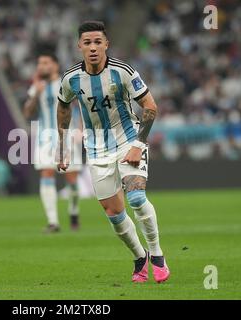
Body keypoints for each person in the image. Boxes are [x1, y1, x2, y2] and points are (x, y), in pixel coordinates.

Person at [56, 21, 170, 283]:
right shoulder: (71, 79)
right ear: (79, 46)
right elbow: (63, 108)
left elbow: (150, 107)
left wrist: (138, 145)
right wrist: (62, 146)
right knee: (114, 215)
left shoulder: (124, 72)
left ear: (106, 44)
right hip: (96, 150)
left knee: (137, 199)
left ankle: (157, 255)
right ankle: (140, 257)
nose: (93, 48)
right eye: (87, 43)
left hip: (128, 141)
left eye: (98, 42)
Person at [24, 52, 83, 233]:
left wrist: (81, 129)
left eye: (46, 62)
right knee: (47, 173)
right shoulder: (37, 86)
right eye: (40, 63)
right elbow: (27, 112)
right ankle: (53, 221)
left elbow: (81, 105)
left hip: (67, 135)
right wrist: (36, 93)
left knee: (71, 178)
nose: (42, 66)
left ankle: (73, 210)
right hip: (44, 137)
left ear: (55, 65)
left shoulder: (66, 83)